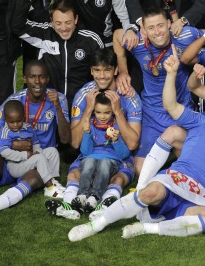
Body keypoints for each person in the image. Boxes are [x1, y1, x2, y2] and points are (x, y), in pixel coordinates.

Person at [68, 52, 205, 241]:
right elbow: (170, 105)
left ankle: (146, 228)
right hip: (177, 181)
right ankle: (96, 224)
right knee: (152, 191)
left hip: (197, 196)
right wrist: (171, 74)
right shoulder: (202, 122)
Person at [49, 48, 141, 219]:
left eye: (107, 70)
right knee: (73, 173)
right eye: (97, 70)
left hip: (118, 155)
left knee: (119, 178)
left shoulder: (129, 96)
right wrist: (89, 109)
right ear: (91, 71)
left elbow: (133, 144)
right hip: (91, 151)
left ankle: (104, 207)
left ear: (115, 70)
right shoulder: (84, 94)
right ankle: (70, 205)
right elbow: (75, 143)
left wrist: (118, 112)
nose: (102, 76)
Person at [113, 7, 198, 172]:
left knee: (189, 168)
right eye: (151, 28)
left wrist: (196, 59)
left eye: (160, 25)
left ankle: (174, 155)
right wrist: (123, 70)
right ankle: (166, 158)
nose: (157, 32)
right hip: (153, 113)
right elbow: (117, 36)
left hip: (181, 110)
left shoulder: (185, 35)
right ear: (143, 30)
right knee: (140, 169)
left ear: (168, 24)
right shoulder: (137, 42)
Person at [11, 0, 105, 103]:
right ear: (52, 22)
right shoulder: (44, 34)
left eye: (68, 22)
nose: (64, 28)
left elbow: (105, 72)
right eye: (58, 23)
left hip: (83, 103)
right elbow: (17, 27)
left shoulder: (91, 40)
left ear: (75, 20)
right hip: (51, 104)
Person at [0, 100, 65, 211]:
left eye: (18, 121)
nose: (15, 125)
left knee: (52, 151)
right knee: (39, 158)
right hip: (15, 166)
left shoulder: (28, 127)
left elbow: (36, 143)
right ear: (5, 120)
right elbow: (4, 152)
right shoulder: (5, 132)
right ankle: (50, 188)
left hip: (29, 160)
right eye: (11, 122)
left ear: (24, 117)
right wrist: (25, 155)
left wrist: (37, 151)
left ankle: (53, 180)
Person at [72, 92, 131, 214]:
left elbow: (123, 154)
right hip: (91, 156)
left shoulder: (117, 125)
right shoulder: (90, 124)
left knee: (104, 164)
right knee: (88, 162)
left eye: (107, 112)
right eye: (98, 112)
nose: (102, 116)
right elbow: (85, 152)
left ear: (113, 112)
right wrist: (87, 134)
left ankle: (95, 197)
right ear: (94, 111)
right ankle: (82, 195)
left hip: (110, 159)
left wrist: (116, 140)